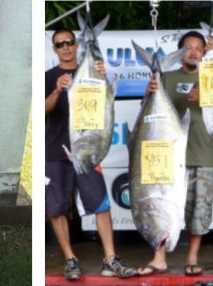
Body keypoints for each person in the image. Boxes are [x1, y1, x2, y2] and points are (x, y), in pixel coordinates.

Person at [44, 27, 136, 280]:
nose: (65, 47)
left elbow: (106, 106)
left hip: (87, 152)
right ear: (54, 49)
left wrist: (103, 80)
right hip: (55, 151)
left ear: (76, 45)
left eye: (69, 42)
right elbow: (44, 111)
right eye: (59, 44)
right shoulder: (49, 76)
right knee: (55, 209)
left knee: (101, 205)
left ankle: (110, 259)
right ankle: (70, 259)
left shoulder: (94, 72)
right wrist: (56, 90)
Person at [137, 31, 213, 277]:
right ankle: (159, 258)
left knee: (198, 211)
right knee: (160, 206)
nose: (193, 52)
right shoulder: (165, 77)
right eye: (188, 48)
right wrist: (149, 92)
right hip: (165, 160)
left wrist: (206, 97)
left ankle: (192, 258)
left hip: (201, 155)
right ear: (179, 52)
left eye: (198, 48)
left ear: (205, 52)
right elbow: (146, 114)